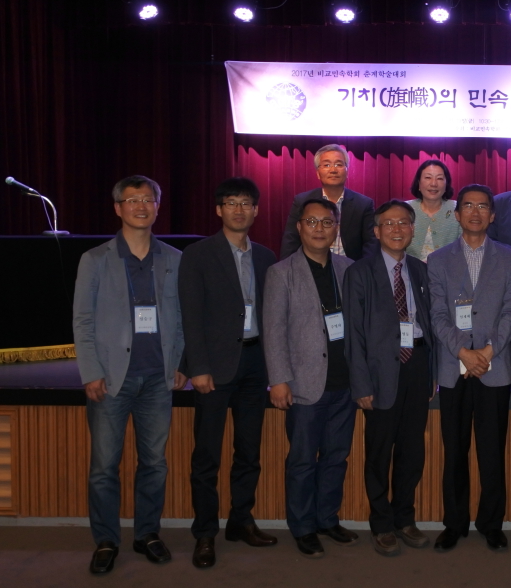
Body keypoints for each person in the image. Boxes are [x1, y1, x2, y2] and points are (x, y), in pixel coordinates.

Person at [73, 175, 186, 575]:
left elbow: (182, 318)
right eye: (132, 199)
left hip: (157, 378)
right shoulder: (95, 259)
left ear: (158, 206)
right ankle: (106, 540)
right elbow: (83, 321)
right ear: (118, 208)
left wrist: (180, 364)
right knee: (104, 467)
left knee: (154, 463)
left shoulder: (174, 259)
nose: (141, 206)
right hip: (110, 379)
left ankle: (147, 534)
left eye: (148, 199)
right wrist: (90, 371)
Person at [178, 177, 278, 568]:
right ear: (219, 209)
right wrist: (198, 367)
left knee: (248, 451)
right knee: (207, 455)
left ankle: (241, 520)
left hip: (255, 364)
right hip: (214, 368)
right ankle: (205, 533)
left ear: (256, 210)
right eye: (231, 203)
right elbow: (191, 314)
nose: (239, 210)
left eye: (246, 203)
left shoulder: (266, 257)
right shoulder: (198, 254)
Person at [427, 184, 511, 552]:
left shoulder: (509, 259)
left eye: (483, 206)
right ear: (457, 214)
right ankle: (454, 523)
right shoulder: (438, 260)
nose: (475, 212)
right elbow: (437, 314)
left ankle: (491, 523)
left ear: (492, 215)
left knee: (492, 452)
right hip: (454, 369)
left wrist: (486, 351)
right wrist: (463, 353)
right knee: (454, 452)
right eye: (468, 205)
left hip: (493, 367)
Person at [263, 198, 357, 558]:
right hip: (304, 385)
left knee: (336, 457)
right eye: (312, 222)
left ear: (336, 229)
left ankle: (327, 519)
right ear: (299, 227)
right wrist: (279, 379)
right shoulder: (281, 272)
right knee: (302, 461)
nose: (319, 229)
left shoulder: (349, 269)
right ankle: (302, 526)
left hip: (345, 383)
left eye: (327, 222)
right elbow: (274, 330)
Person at [344, 200, 435, 557]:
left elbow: (429, 323)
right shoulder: (360, 272)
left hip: (417, 365)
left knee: (412, 450)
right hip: (379, 372)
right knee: (380, 452)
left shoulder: (420, 270)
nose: (397, 229)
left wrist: (431, 373)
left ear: (413, 229)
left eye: (403, 223)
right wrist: (361, 383)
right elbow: (353, 334)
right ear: (377, 231)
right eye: (389, 224)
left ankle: (404, 518)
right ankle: (381, 523)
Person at [279, 143, 376, 260]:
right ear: (318, 173)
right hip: (310, 265)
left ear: (347, 171)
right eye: (327, 165)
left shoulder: (363, 204)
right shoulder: (302, 201)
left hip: (350, 266)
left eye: (338, 164)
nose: (333, 170)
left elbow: (371, 245)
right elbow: (290, 240)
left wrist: (363, 270)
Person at [406, 159, 461, 262]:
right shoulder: (404, 209)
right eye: (428, 177)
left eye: (439, 178)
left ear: (446, 184)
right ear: (418, 183)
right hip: (409, 269)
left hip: (449, 269)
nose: (434, 184)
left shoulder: (458, 209)